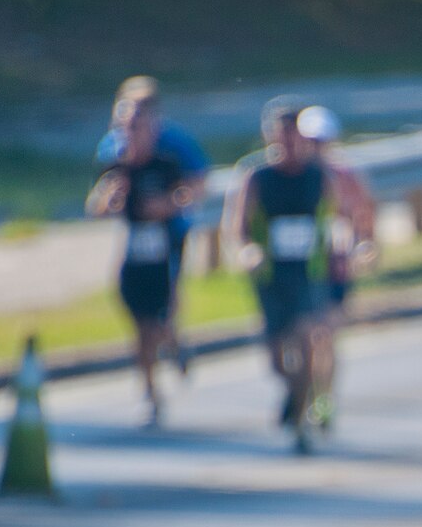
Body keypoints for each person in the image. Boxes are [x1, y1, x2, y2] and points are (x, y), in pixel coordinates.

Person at [222, 100, 337, 455]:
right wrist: (248, 251)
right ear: (269, 136)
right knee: (276, 356)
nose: (287, 141)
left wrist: (346, 242)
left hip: (306, 273)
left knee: (305, 341)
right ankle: (295, 394)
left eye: (293, 132)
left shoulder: (317, 174)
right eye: (280, 133)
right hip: (270, 276)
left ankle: (301, 426)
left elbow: (337, 214)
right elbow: (238, 226)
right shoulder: (257, 176)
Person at [88, 93, 196, 427]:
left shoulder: (165, 164)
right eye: (127, 127)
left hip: (164, 254)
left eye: (139, 126)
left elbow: (185, 196)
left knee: (160, 324)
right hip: (134, 258)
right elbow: (97, 207)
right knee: (141, 331)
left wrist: (166, 205)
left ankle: (174, 342)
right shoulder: (118, 169)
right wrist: (111, 199)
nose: (133, 133)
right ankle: (150, 393)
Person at [97, 76, 210, 312]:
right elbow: (106, 183)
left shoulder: (174, 141)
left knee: (167, 295)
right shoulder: (114, 143)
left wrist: (169, 203)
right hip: (136, 226)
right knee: (136, 297)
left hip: (172, 227)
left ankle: (171, 335)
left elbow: (199, 183)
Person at [297, 104, 377, 432]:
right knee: (306, 338)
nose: (316, 149)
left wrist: (363, 247)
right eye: (311, 141)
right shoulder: (294, 177)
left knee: (326, 337)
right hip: (302, 270)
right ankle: (307, 393)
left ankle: (325, 398)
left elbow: (364, 217)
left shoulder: (344, 176)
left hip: (335, 269)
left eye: (322, 141)